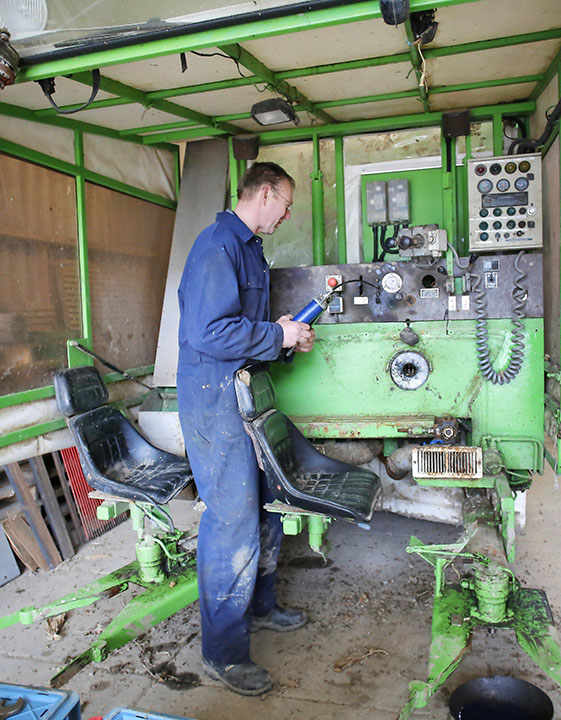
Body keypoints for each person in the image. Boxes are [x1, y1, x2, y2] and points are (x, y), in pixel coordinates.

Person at [176, 161, 315, 696]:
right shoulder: (218, 246)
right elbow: (210, 332)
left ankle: (261, 605)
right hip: (214, 402)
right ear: (265, 193)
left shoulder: (249, 248)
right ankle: (224, 654)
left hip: (242, 395)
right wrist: (273, 335)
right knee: (232, 522)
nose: (287, 214)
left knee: (265, 502)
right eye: (286, 204)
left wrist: (284, 338)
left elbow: (246, 330)